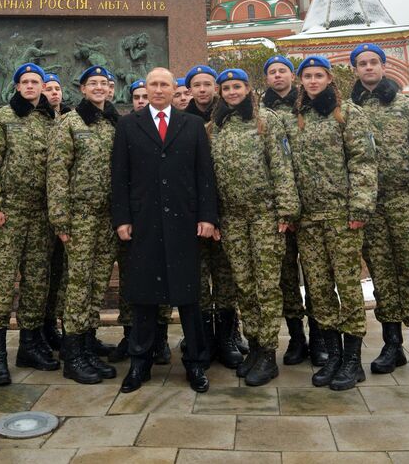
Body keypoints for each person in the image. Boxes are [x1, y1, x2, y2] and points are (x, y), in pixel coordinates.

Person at [112, 67, 218, 394]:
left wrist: (207, 216)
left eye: (164, 85)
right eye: (152, 84)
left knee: (189, 296)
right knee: (144, 296)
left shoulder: (193, 125)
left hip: (184, 223)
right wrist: (122, 219)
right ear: (146, 89)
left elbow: (205, 176)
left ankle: (196, 364)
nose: (158, 90)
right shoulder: (129, 125)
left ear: (175, 90)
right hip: (144, 222)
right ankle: (139, 363)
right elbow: (120, 176)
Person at [284, 55, 378, 391]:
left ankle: (353, 358)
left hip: (342, 217)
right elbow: (289, 170)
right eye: (306, 76)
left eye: (317, 75)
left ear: (329, 79)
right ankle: (334, 354)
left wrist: (360, 209)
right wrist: (292, 212)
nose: (311, 81)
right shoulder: (298, 119)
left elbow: (364, 162)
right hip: (309, 220)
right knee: (319, 289)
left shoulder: (348, 113)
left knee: (348, 285)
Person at [350, 42, 409, 377]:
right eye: (362, 63)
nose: (369, 67)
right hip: (370, 206)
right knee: (382, 275)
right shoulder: (349, 110)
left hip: (406, 202)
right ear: (355, 70)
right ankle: (392, 345)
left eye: (374, 62)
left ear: (384, 65)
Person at [212, 69, 300, 385]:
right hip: (233, 218)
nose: (232, 92)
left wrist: (286, 211)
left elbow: (282, 166)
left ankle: (268, 352)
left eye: (237, 86)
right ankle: (253, 344)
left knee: (266, 284)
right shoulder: (217, 127)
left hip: (265, 214)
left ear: (248, 89)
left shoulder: (266, 121)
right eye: (226, 88)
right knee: (244, 284)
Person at [0, 63, 59, 385]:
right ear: (17, 86)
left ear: (43, 86)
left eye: (36, 81)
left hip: (40, 216)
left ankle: (29, 347)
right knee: (2, 281)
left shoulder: (51, 120)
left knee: (37, 281)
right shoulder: (1, 118)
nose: (31, 86)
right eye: (25, 82)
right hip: (7, 214)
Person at [47, 66, 120, 384]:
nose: (99, 88)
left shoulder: (114, 124)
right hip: (79, 218)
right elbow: (57, 172)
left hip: (108, 217)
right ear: (83, 88)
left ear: (112, 89)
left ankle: (87, 345)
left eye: (104, 83)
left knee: (97, 282)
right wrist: (60, 218)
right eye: (93, 84)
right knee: (78, 284)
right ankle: (72, 353)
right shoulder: (70, 123)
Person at [262, 55, 327, 368]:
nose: (277, 76)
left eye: (282, 71)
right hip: (278, 208)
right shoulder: (259, 111)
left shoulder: (310, 105)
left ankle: (320, 337)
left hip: (313, 203)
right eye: (272, 72)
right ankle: (297, 339)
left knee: (316, 274)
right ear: (266, 79)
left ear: (294, 76)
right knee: (286, 276)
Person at [184, 64, 244, 369]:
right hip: (194, 213)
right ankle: (202, 337)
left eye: (209, 83)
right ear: (190, 89)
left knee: (225, 277)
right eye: (197, 84)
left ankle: (228, 336)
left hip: (229, 212)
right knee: (198, 276)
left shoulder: (228, 118)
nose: (203, 89)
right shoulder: (181, 121)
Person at [110, 78, 172, 365]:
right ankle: (131, 337)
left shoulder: (178, 124)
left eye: (146, 95)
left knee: (161, 277)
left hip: (165, 217)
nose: (142, 100)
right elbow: (121, 174)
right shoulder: (126, 126)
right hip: (135, 218)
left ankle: (159, 340)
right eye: (137, 96)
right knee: (132, 280)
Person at [41, 72, 71, 351]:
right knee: (42, 273)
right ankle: (42, 327)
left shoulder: (70, 121)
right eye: (47, 88)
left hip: (67, 210)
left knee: (63, 273)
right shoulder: (35, 121)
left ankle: (60, 326)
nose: (53, 93)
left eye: (57, 88)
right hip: (38, 210)